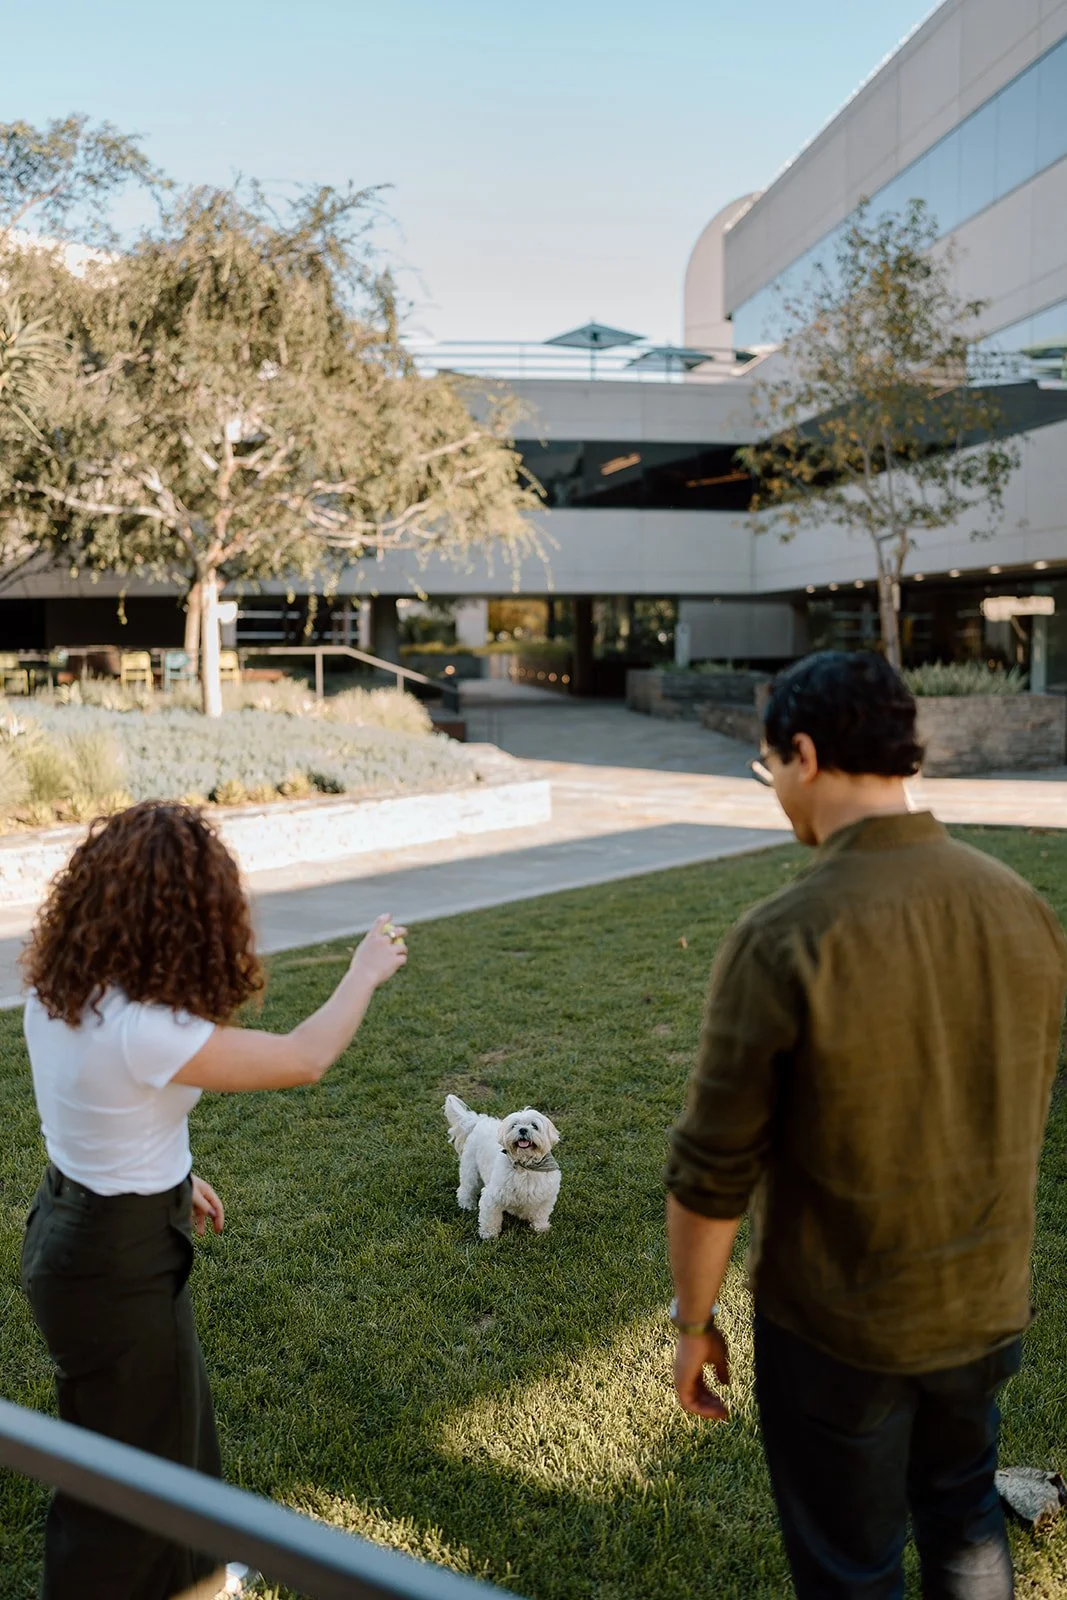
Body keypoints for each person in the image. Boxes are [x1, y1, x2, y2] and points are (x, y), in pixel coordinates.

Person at [665, 650, 1067, 1600]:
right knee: (963, 1515)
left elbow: (710, 1173)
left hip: (839, 1332)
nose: (776, 794)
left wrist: (692, 1321)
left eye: (769, 771)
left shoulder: (784, 934)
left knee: (852, 1570)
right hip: (985, 1305)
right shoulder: (1024, 909)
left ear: (801, 753)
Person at [20, 799, 408, 1600]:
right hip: (113, 1256)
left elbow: (86, 1107)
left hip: (79, 1217)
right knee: (123, 1480)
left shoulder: (63, 986)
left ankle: (196, 1577)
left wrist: (172, 1173)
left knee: (172, 1425)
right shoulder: (142, 1024)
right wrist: (364, 968)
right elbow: (303, 1058)